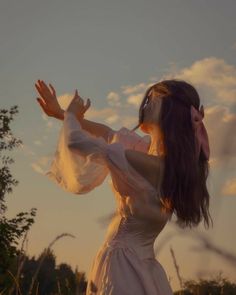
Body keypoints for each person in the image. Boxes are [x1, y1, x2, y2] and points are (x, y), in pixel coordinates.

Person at [35, 79, 212, 294]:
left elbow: (76, 142)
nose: (145, 104)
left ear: (169, 111)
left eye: (152, 100)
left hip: (122, 267)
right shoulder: (152, 156)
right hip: (142, 267)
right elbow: (108, 134)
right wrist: (60, 113)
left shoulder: (153, 165)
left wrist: (72, 114)